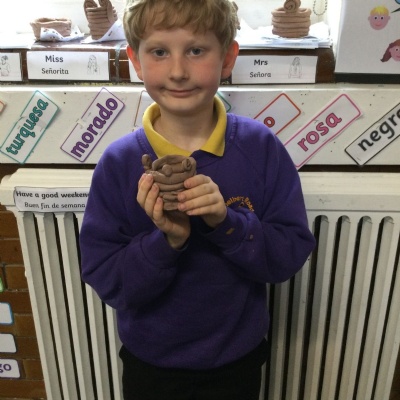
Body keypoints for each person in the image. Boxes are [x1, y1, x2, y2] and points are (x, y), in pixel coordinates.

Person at [79, 0, 316, 399]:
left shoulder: (261, 148)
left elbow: (288, 254)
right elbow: (107, 278)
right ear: (136, 61)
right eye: (159, 52)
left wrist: (227, 223)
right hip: (151, 365)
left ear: (228, 58)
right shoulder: (118, 164)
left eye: (195, 50)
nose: (177, 71)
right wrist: (167, 241)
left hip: (237, 361)